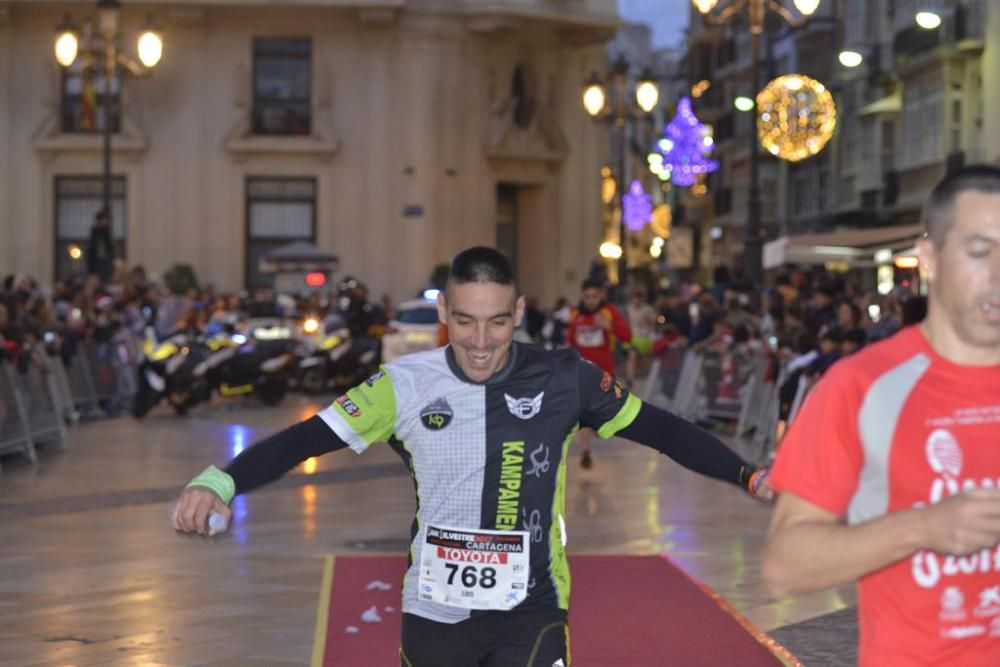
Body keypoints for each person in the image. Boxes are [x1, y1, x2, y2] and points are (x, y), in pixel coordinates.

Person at [172, 246, 772, 667]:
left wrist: (747, 475)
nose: (480, 342)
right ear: (443, 314)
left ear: (518, 312)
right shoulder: (402, 386)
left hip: (533, 604)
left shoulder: (566, 378)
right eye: (464, 321)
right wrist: (218, 482)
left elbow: (663, 430)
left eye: (495, 323)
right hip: (435, 611)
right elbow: (305, 440)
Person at [762, 165, 1000, 666]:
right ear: (929, 258)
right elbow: (784, 564)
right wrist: (922, 527)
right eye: (980, 252)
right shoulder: (863, 386)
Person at [566, 278, 632, 468]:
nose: (591, 300)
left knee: (598, 416)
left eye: (595, 296)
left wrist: (608, 327)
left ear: (601, 296)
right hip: (581, 373)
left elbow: (627, 336)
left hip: (605, 374)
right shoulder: (575, 314)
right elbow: (570, 341)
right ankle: (585, 451)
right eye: (587, 297)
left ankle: (596, 429)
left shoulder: (609, 313)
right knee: (581, 413)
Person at [86, 208, 114, 281]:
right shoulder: (95, 230)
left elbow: (109, 244)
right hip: (96, 256)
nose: (106, 221)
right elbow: (93, 244)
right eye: (105, 219)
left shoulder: (107, 230)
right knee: (95, 274)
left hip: (104, 257)